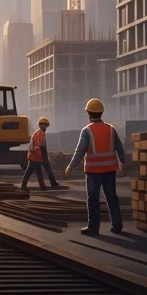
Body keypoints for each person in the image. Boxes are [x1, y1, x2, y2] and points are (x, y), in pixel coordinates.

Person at [64, 98, 126, 235]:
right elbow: (120, 148)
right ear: (101, 113)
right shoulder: (111, 129)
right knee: (112, 197)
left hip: (93, 172)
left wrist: (70, 166)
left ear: (88, 113)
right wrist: (122, 162)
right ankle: (117, 225)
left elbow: (80, 151)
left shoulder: (87, 131)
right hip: (110, 169)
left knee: (93, 198)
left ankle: (93, 228)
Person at [19, 116, 59, 191]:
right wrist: (44, 155)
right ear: (42, 125)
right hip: (36, 156)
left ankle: (26, 186)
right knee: (36, 172)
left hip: (33, 155)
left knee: (33, 171)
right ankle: (44, 186)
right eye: (45, 126)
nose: (46, 128)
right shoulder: (41, 133)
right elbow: (41, 145)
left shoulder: (36, 132)